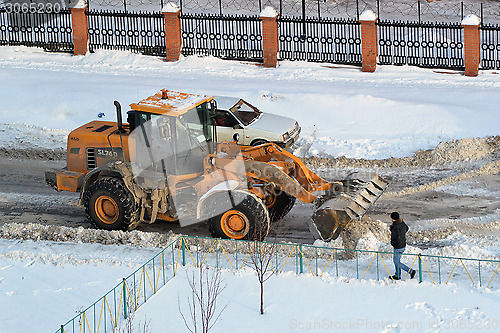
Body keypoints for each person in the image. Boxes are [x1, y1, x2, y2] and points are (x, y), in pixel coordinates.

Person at [389, 212, 416, 280]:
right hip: (402, 245)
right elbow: (407, 228)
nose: (391, 220)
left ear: (394, 219)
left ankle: (411, 271)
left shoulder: (396, 227)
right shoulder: (402, 223)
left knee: (396, 262)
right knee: (397, 261)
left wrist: (393, 243)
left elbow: (396, 237)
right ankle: (397, 275)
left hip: (398, 246)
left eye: (392, 218)